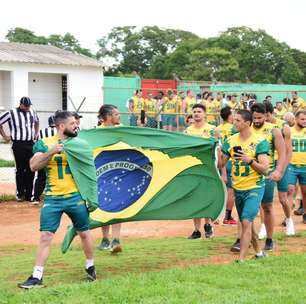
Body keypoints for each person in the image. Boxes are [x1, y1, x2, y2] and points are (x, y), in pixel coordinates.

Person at [18, 111, 96, 289]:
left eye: (76, 123)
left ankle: (90, 267)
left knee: (84, 233)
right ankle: (37, 277)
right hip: (53, 198)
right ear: (61, 126)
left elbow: (89, 170)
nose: (76, 126)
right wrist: (51, 152)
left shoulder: (80, 145)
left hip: (75, 197)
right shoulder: (44, 144)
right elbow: (33, 166)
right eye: (72, 124)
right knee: (46, 236)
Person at [220, 109, 269, 262]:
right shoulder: (230, 140)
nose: (234, 123)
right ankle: (259, 253)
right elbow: (221, 163)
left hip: (254, 187)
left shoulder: (259, 141)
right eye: (234, 120)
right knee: (247, 224)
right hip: (238, 188)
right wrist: (217, 151)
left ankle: (241, 259)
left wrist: (250, 160)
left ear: (247, 123)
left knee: (246, 221)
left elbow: (265, 168)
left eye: (238, 120)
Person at [251, 103, 286, 251]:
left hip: (267, 174)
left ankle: (270, 239)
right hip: (250, 174)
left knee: (267, 206)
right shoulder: (246, 129)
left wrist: (278, 171)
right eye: (254, 118)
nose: (257, 120)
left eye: (260, 117)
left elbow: (282, 152)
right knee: (249, 208)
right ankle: (244, 239)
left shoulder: (274, 130)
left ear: (266, 115)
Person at [184, 104, 215, 239]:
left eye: (199, 111)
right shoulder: (187, 131)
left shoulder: (212, 130)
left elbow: (217, 148)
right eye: (194, 111)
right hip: (193, 168)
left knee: (207, 197)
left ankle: (208, 224)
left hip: (208, 168)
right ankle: (196, 230)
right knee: (194, 198)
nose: (196, 114)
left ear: (205, 114)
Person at [0, 97, 39, 202]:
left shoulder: (32, 111)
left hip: (30, 144)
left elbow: (37, 121)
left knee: (30, 168)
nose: (27, 108)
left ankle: (29, 193)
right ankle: (20, 194)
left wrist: (36, 133)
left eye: (29, 106)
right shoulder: (11, 113)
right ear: (20, 104)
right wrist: (5, 137)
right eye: (26, 106)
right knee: (20, 169)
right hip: (18, 144)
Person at [264, 102, 295, 236]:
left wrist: (282, 169)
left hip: (281, 163)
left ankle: (289, 220)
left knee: (283, 198)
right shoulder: (260, 127)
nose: (263, 119)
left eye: (265, 116)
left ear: (270, 113)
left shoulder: (284, 127)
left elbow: (288, 151)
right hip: (268, 163)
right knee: (264, 200)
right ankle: (263, 227)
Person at [97, 104, 123, 253]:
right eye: (116, 114)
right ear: (108, 117)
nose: (119, 116)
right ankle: (105, 239)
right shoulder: (97, 132)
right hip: (103, 174)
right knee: (103, 206)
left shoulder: (122, 129)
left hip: (119, 173)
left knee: (119, 206)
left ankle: (116, 239)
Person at [215, 106, 238, 225]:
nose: (234, 116)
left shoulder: (217, 129)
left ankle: (215, 216)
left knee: (219, 189)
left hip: (218, 159)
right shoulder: (234, 129)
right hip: (230, 159)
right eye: (232, 114)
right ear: (229, 116)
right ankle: (227, 216)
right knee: (231, 190)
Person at [32, 115, 57, 205]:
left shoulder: (42, 131)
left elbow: (37, 143)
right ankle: (54, 196)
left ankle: (35, 197)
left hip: (44, 156)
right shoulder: (59, 131)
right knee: (55, 176)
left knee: (41, 177)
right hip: (56, 157)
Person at [287, 111, 306, 224]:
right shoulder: (289, 131)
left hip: (305, 166)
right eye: (302, 119)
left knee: (305, 192)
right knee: (290, 190)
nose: (304, 121)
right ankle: (288, 217)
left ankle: (305, 214)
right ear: (296, 119)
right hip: (291, 166)